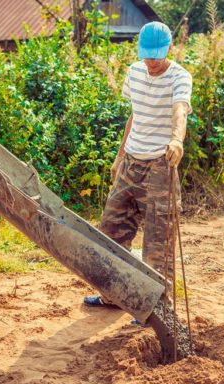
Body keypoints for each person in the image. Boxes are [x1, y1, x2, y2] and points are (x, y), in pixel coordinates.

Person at [84, 21, 192, 309]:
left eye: (156, 56)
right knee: (111, 231)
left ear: (168, 49)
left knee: (158, 244)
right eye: (147, 55)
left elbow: (180, 111)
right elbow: (134, 116)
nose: (151, 62)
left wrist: (176, 140)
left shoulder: (180, 77)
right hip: (131, 163)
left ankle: (158, 308)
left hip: (160, 166)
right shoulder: (134, 72)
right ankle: (114, 296)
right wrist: (120, 157)